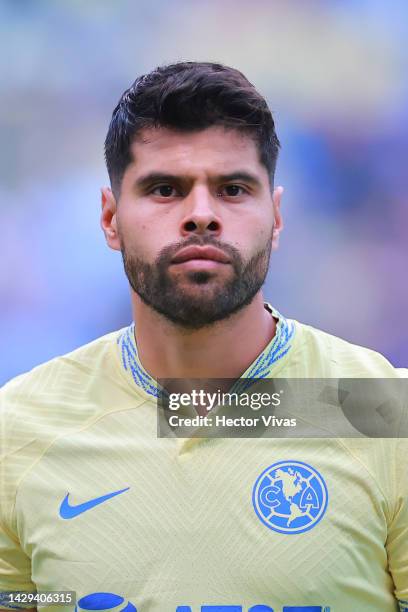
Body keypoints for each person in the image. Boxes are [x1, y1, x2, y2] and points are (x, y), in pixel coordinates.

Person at [0, 61, 407, 612]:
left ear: (277, 216)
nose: (201, 215)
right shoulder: (19, 429)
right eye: (165, 189)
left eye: (233, 189)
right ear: (110, 218)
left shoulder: (384, 414)